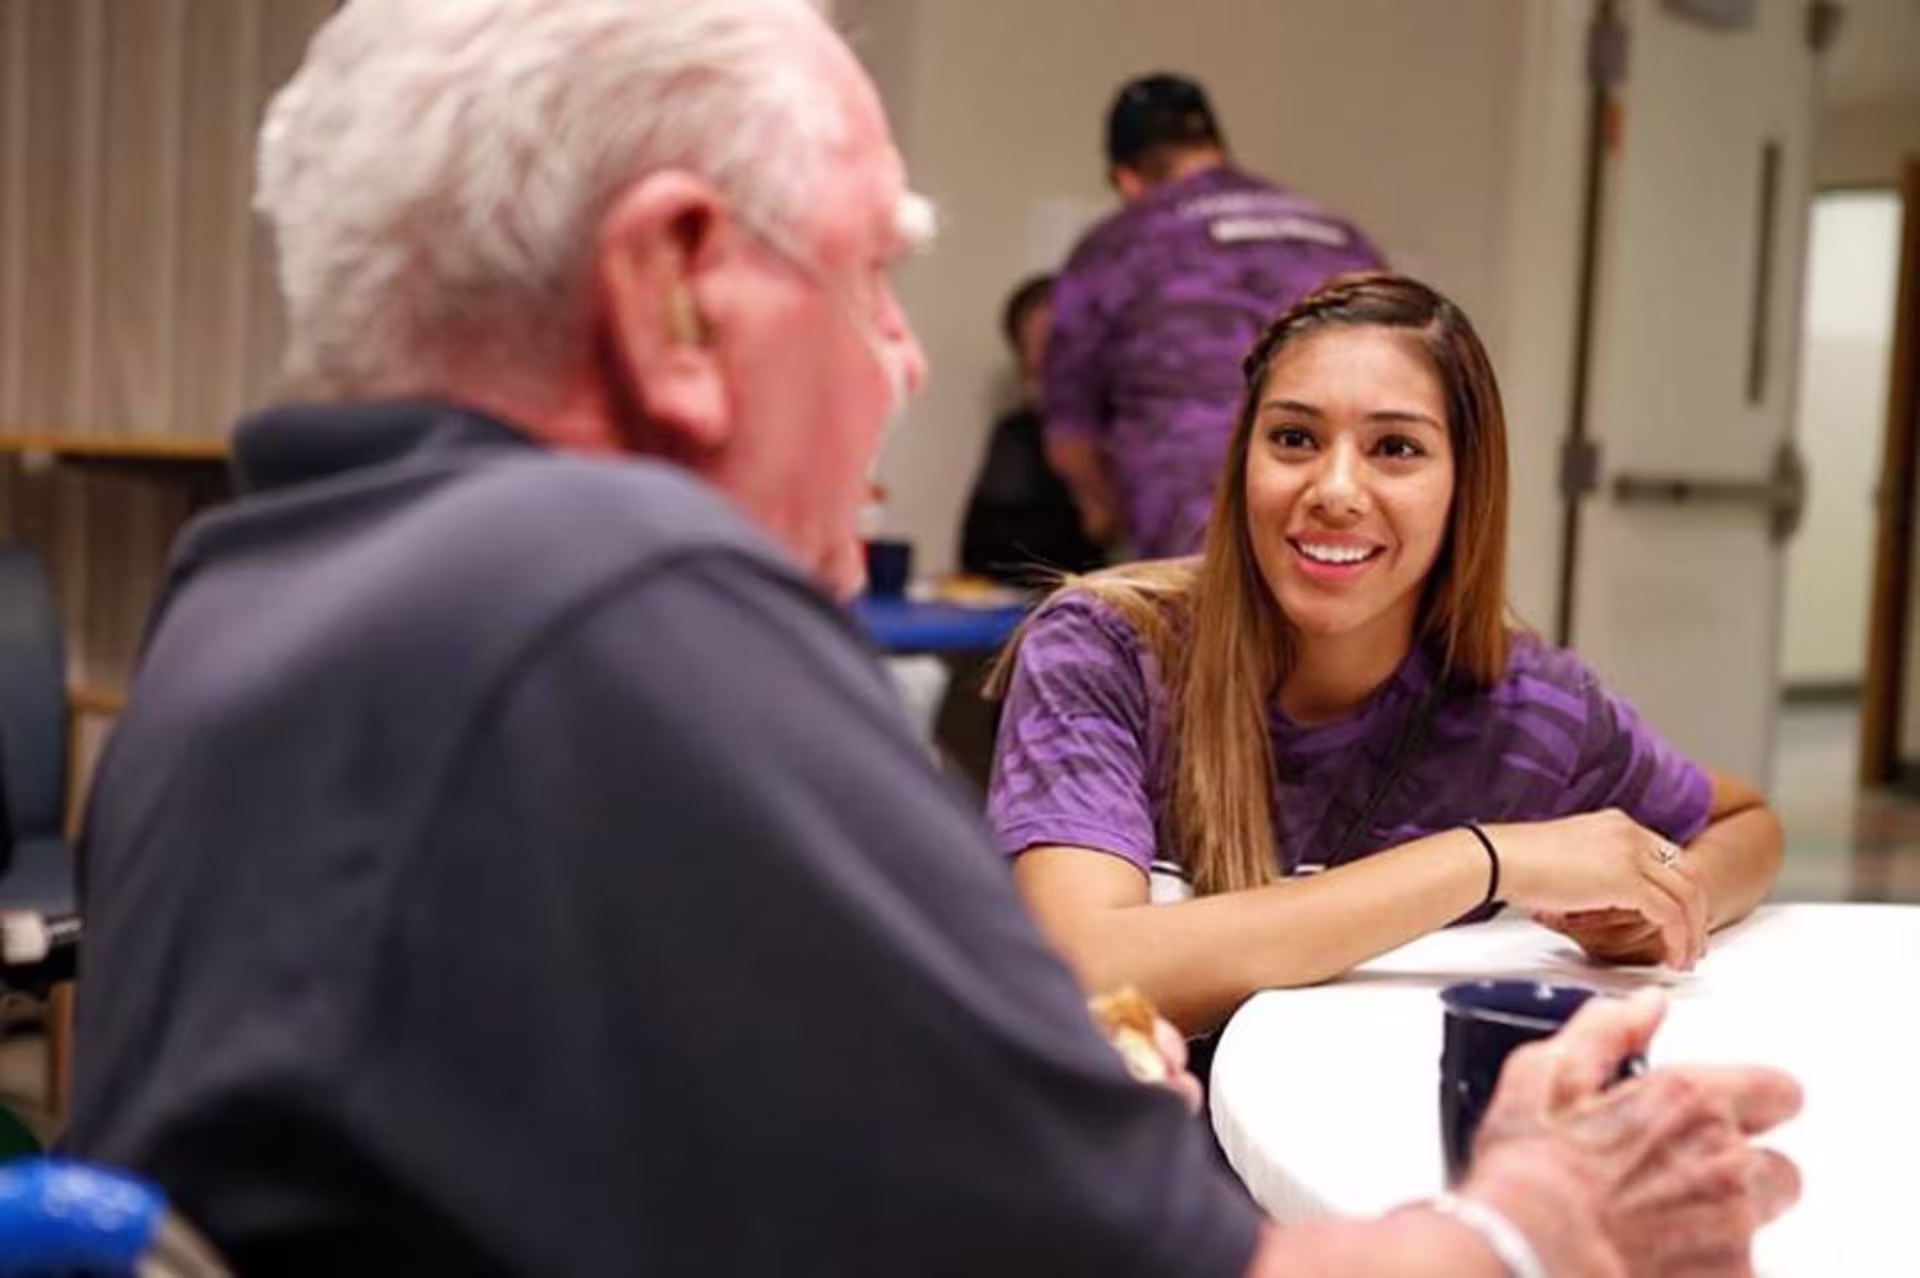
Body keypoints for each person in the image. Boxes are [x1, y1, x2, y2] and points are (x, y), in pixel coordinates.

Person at [63, 4, 1796, 1275]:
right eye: (874, 276)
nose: (903, 362)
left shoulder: (247, 585)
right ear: (673, 292)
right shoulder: (624, 608)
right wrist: (1535, 1217)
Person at [991, 273, 1785, 1034]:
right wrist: (1490, 860)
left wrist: (1674, 905)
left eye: (1396, 448)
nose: (1335, 489)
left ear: (1464, 487)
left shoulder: (1530, 706)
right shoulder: (1108, 649)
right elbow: (1083, 965)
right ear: (1242, 466)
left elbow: (1745, 823)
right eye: (1294, 438)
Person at [1045, 73, 1387, 560]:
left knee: (1205, 631)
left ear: (1126, 178)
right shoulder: (1339, 236)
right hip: (1342, 513)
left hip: (1190, 519)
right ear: (1215, 145)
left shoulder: (1117, 244)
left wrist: (1111, 511)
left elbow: (1071, 440)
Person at [958, 274, 1105, 582]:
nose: (1042, 359)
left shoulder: (1126, 432)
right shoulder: (1018, 434)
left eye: (1055, 344)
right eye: (1031, 347)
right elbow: (979, 550)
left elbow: (1103, 526)